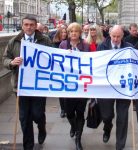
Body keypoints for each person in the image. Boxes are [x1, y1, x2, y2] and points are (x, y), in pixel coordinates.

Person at [2, 15, 52, 150]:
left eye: (31, 25)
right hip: (21, 87)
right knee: (24, 119)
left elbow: (53, 58)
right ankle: (28, 146)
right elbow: (5, 59)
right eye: (26, 25)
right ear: (22, 26)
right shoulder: (14, 41)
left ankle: (42, 127)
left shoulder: (45, 40)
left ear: (36, 26)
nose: (29, 27)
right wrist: (12, 62)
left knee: (37, 114)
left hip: (39, 86)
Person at [97, 25, 133, 150]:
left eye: (118, 37)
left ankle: (120, 145)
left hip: (123, 87)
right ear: (109, 35)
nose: (116, 39)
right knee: (107, 116)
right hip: (106, 87)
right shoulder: (102, 46)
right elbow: (97, 66)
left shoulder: (129, 48)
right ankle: (107, 128)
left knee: (122, 117)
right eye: (114, 36)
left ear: (122, 36)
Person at [59, 22, 89, 150]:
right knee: (70, 112)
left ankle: (78, 138)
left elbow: (89, 62)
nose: (73, 33)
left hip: (82, 85)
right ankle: (73, 125)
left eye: (76, 31)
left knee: (80, 112)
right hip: (68, 85)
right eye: (71, 31)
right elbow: (57, 62)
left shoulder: (85, 45)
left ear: (79, 33)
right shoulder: (63, 45)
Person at [52, 26, 68, 118]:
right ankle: (63, 109)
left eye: (65, 32)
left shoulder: (69, 43)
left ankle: (68, 107)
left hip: (68, 70)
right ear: (58, 34)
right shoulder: (54, 44)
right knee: (60, 90)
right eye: (62, 32)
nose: (64, 34)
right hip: (59, 70)